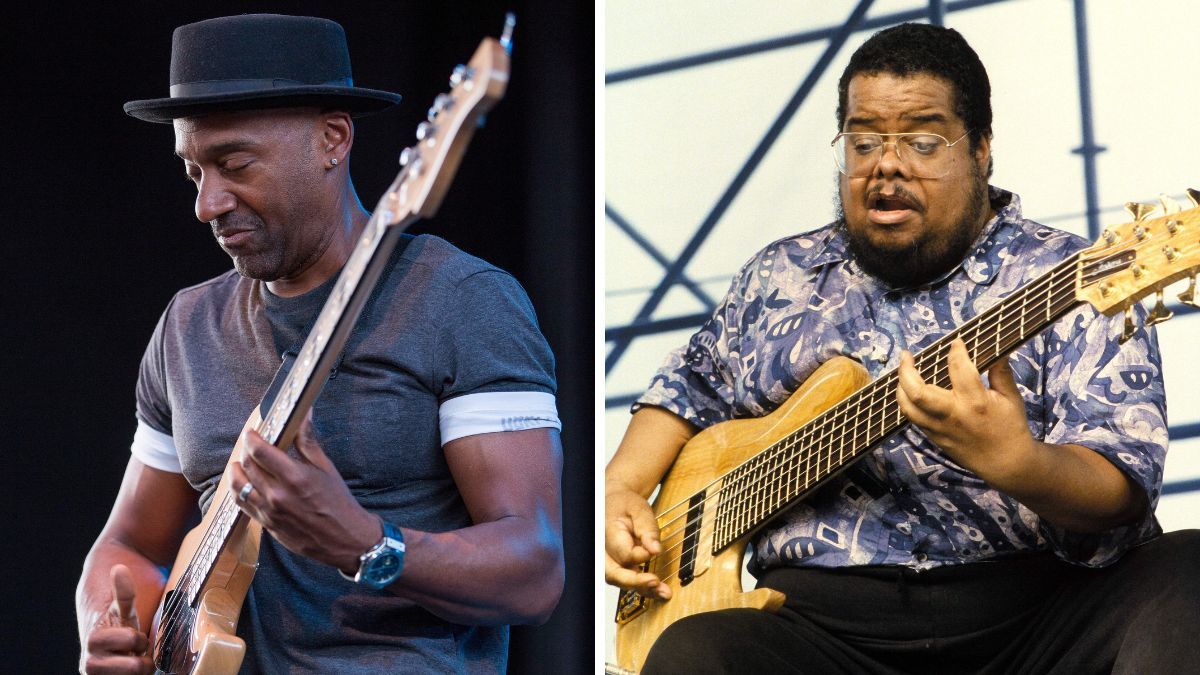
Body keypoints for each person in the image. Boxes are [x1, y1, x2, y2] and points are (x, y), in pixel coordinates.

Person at [605, 22, 1199, 674]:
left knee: (1188, 572)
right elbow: (688, 384)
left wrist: (1019, 461)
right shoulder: (778, 275)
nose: (886, 163)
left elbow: (1122, 486)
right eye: (863, 141)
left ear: (980, 149)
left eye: (921, 139)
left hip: (1038, 617)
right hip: (827, 631)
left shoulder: (1076, 273)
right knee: (695, 653)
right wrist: (624, 486)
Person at [76, 14, 563, 674]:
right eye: (194, 171)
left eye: (235, 164)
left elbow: (535, 572)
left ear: (333, 139)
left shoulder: (463, 302)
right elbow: (127, 544)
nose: (207, 203)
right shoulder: (186, 327)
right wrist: (111, 623)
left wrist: (367, 543)